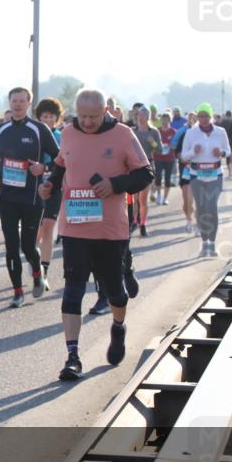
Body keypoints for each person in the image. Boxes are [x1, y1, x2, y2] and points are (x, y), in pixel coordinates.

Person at [39, 88, 152, 380]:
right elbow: (61, 165)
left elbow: (145, 174)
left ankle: (118, 326)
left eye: (94, 117)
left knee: (115, 292)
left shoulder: (123, 134)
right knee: (73, 291)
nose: (87, 122)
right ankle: (72, 357)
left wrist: (115, 184)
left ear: (105, 112)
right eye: (83, 116)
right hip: (75, 227)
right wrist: (50, 184)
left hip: (110, 229)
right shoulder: (68, 133)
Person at [0, 87, 58, 308]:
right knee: (11, 246)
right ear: (9, 102)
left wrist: (43, 167)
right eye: (14, 101)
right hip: (7, 197)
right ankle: (17, 292)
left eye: (22, 101)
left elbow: (59, 158)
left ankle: (37, 272)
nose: (17, 104)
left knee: (28, 246)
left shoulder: (39, 129)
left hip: (32, 197)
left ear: (29, 104)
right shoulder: (1, 130)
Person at [181, 102, 231, 257]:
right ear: (197, 117)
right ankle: (204, 243)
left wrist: (221, 153)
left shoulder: (220, 132)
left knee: (212, 207)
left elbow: (228, 151)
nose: (203, 119)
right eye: (201, 116)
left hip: (216, 174)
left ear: (211, 117)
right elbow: (184, 155)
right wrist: (193, 152)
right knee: (201, 208)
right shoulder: (191, 133)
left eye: (206, 116)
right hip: (197, 175)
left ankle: (213, 243)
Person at [34, 97, 64, 289]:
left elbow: (63, 161)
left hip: (54, 188)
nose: (48, 120)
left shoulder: (62, 137)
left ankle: (44, 272)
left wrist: (47, 168)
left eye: (52, 116)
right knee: (35, 233)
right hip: (33, 189)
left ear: (57, 118)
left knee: (48, 229)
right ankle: (34, 262)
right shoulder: (32, 135)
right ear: (39, 117)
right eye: (44, 116)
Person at [132, 106, 162, 236]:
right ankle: (134, 222)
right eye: (139, 115)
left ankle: (143, 225)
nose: (141, 117)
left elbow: (160, 150)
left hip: (147, 165)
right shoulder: (132, 131)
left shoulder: (153, 132)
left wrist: (153, 142)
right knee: (134, 198)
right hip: (133, 166)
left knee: (143, 199)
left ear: (148, 117)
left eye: (144, 115)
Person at [173, 111, 198, 233]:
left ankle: (198, 225)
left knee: (199, 201)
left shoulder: (203, 136)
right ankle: (189, 220)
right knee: (187, 201)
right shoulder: (184, 134)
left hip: (200, 171)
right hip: (186, 170)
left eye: (195, 119)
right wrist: (182, 158)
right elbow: (177, 151)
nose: (193, 121)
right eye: (191, 119)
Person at [154, 113, 178, 206]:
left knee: (168, 179)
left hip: (169, 158)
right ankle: (159, 195)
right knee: (158, 177)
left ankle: (165, 198)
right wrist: (157, 146)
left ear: (170, 120)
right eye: (163, 119)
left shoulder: (174, 132)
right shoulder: (157, 131)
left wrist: (172, 146)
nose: (165, 121)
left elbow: (176, 145)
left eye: (167, 119)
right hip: (158, 157)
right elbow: (153, 144)